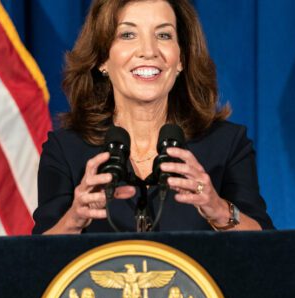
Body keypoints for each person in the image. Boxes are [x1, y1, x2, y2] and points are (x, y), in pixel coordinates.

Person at [32, 0, 274, 234]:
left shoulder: (227, 144)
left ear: (181, 59)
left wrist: (218, 209)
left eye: (164, 35)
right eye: (127, 35)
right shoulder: (65, 150)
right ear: (103, 59)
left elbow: (270, 250)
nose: (148, 51)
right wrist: (74, 220)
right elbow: (37, 262)